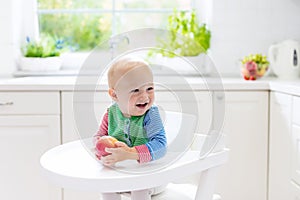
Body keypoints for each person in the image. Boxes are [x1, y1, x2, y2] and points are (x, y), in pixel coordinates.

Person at [93, 56, 167, 200]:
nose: (145, 96)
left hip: (149, 175)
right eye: (135, 90)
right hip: (120, 172)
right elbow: (99, 136)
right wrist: (101, 149)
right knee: (106, 186)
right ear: (115, 95)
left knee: (139, 188)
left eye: (149, 88)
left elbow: (161, 146)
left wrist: (129, 153)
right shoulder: (111, 113)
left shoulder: (150, 115)